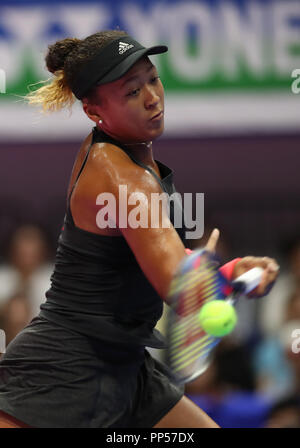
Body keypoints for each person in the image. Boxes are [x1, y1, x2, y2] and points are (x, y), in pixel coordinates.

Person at [0, 30, 279, 428]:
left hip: (126, 365)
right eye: (132, 91)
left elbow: (155, 258)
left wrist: (226, 273)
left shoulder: (126, 156)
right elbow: (179, 289)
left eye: (153, 78)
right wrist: (222, 277)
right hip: (64, 371)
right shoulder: (122, 180)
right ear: (95, 112)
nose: (152, 97)